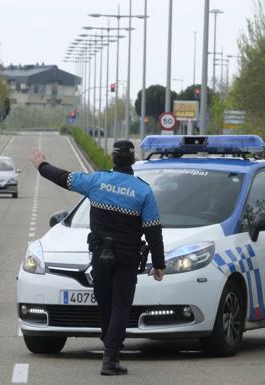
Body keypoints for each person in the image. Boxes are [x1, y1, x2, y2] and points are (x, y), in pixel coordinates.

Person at [30, 140, 165, 376]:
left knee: (104, 303)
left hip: (100, 255)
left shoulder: (96, 181)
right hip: (127, 257)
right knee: (120, 306)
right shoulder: (143, 190)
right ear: (133, 160)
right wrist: (159, 264)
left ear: (113, 159)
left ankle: (108, 347)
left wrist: (42, 165)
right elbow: (153, 230)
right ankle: (110, 357)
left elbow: (63, 177)